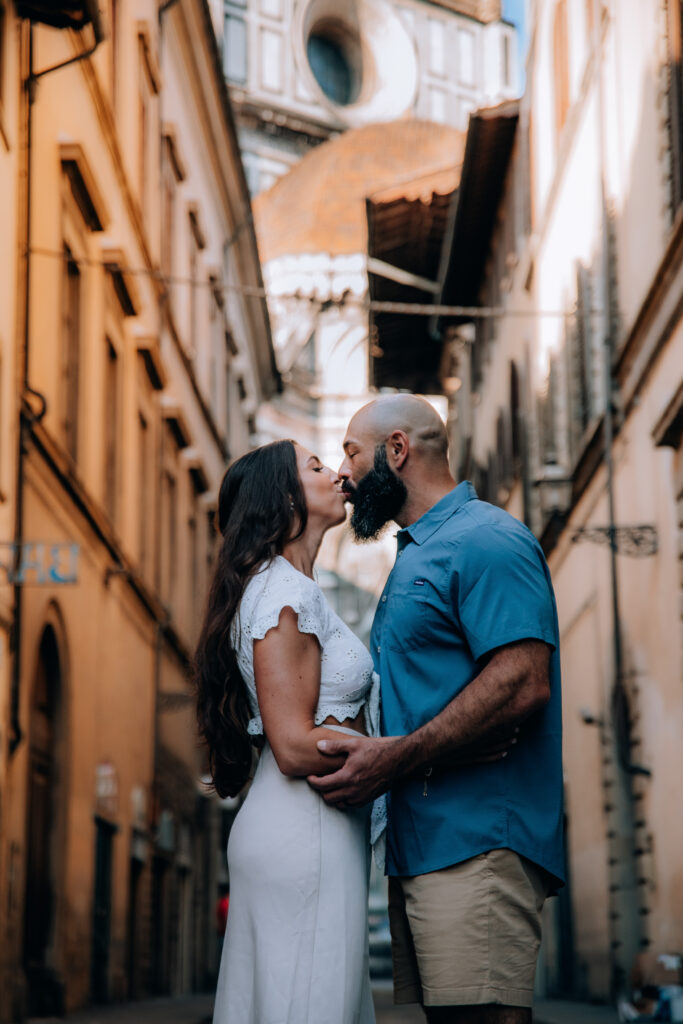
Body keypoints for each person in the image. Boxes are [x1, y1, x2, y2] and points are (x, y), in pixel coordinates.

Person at [309, 395, 565, 1024]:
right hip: (423, 845)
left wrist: (397, 756)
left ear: (396, 451)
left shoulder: (488, 538)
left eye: (350, 452)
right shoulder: (416, 554)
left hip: (477, 840)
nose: (342, 473)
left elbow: (523, 680)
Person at [195, 439, 380, 1024]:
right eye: (317, 466)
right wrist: (403, 754)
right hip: (306, 830)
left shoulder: (292, 587)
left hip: (313, 828)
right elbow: (296, 746)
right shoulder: (282, 590)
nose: (336, 473)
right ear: (284, 496)